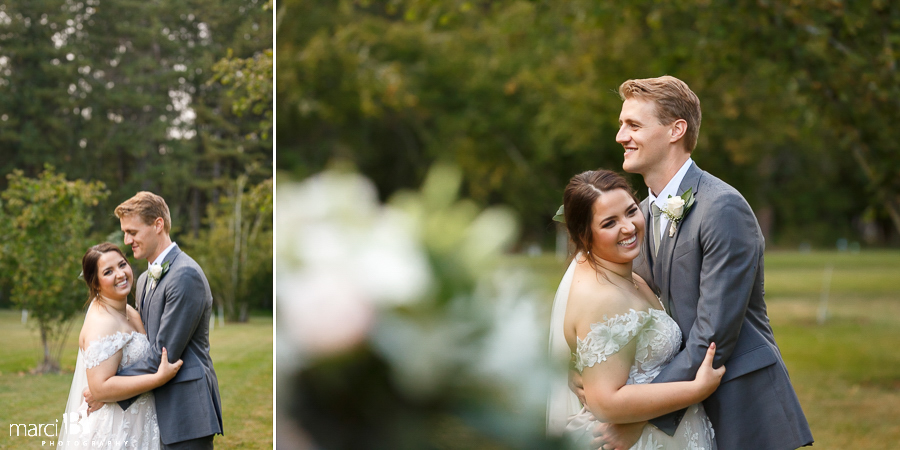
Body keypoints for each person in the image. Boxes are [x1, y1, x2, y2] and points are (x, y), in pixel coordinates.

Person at [574, 76, 813, 450]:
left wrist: (639, 415)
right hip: (682, 408)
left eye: (633, 125)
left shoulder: (722, 208)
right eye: (622, 125)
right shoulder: (640, 214)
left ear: (676, 130)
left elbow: (713, 336)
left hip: (738, 407)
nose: (621, 136)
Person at [547, 169, 724, 449]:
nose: (628, 227)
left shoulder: (630, 277)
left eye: (631, 211)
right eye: (609, 223)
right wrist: (695, 390)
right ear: (584, 235)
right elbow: (605, 403)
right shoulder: (603, 298)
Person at [85, 191, 224, 449]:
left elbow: (163, 353)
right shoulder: (145, 278)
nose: (127, 240)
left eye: (133, 232)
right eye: (125, 233)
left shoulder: (185, 275)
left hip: (186, 409)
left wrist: (106, 389)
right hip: (155, 408)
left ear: (158, 225)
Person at [58, 243, 183, 449]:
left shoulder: (131, 311)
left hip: (140, 419)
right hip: (116, 428)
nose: (120, 274)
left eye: (122, 265)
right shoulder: (102, 323)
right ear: (95, 283)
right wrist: (157, 379)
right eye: (108, 272)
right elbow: (99, 389)